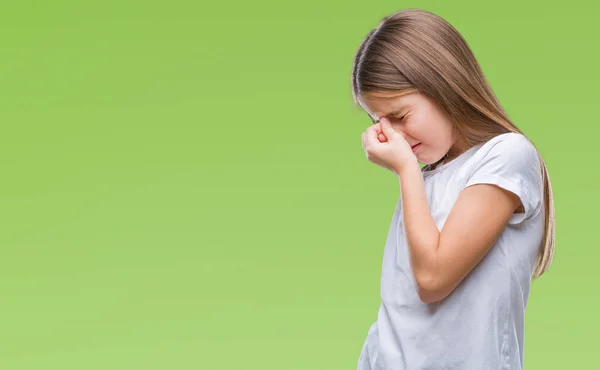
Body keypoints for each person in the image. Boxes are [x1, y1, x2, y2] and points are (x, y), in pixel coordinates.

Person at [351, 8, 556, 370]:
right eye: (377, 121)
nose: (391, 135)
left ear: (443, 85)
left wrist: (405, 171)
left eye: (400, 116)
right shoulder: (428, 177)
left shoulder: (505, 155)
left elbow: (433, 278)